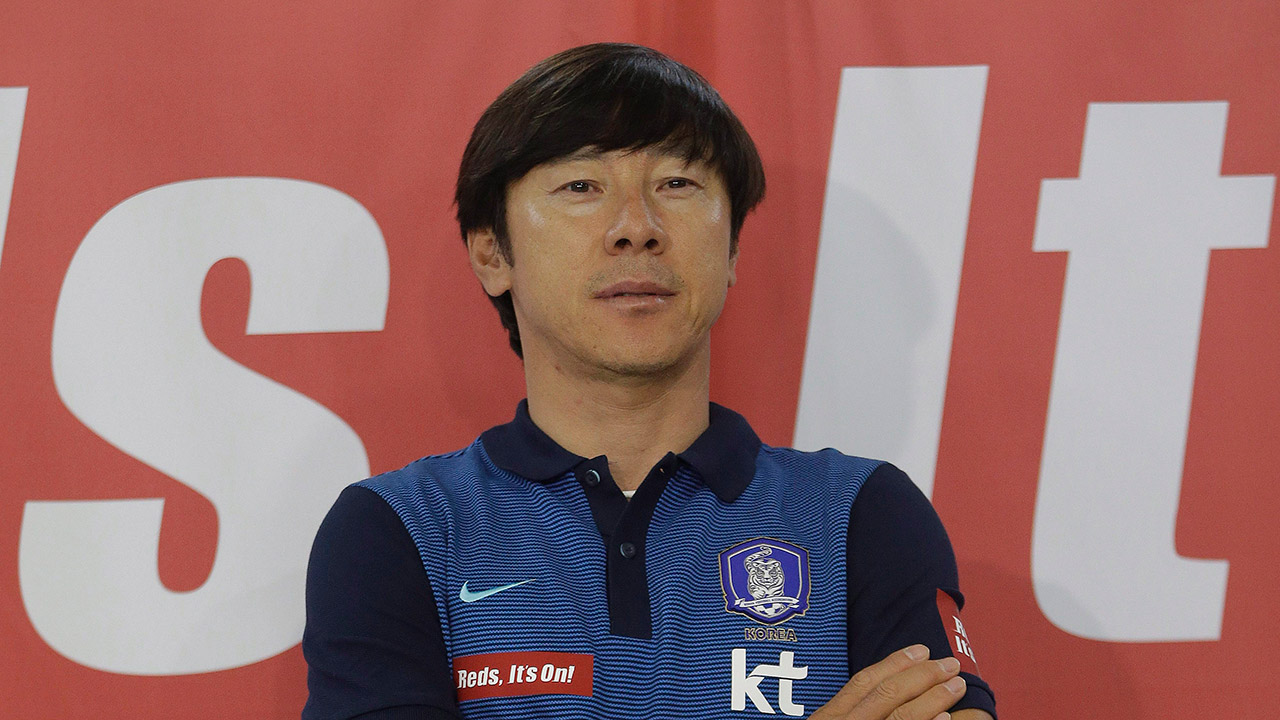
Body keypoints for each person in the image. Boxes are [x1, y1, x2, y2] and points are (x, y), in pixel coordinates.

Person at [301, 43, 997, 720]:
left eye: (677, 184)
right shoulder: (398, 530)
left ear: (732, 249)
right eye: (581, 186)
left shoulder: (863, 515)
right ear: (491, 253)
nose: (637, 228)